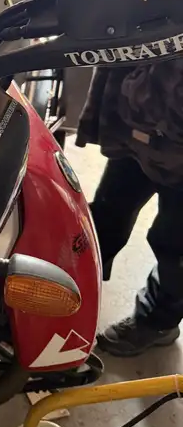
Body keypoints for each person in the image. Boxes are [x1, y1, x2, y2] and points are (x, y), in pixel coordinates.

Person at [76, 45, 183, 356]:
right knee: (106, 214)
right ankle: (70, 288)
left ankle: (158, 322)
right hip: (140, 123)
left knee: (174, 244)